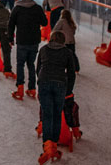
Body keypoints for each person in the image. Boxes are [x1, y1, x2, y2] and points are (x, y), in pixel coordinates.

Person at [36, 30, 76, 163]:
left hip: (44, 82)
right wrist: (68, 90)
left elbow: (38, 69)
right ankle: (53, 145)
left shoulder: (43, 49)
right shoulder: (67, 52)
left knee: (47, 114)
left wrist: (41, 82)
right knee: (57, 115)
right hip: (60, 84)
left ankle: (47, 147)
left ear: (52, 39)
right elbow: (71, 73)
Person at [8, 0, 48, 100]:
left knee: (20, 64)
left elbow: (10, 24)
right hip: (34, 40)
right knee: (31, 64)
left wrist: (10, 39)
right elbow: (44, 22)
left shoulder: (17, 8)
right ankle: (32, 89)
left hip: (22, 40)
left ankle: (20, 88)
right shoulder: (37, 8)